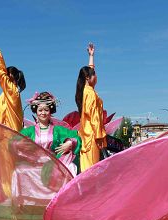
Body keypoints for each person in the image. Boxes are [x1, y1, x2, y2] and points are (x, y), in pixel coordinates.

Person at [21, 91, 81, 176]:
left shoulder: (57, 130)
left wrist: (70, 143)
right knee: (20, 170)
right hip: (35, 163)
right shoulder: (29, 131)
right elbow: (14, 141)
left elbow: (75, 136)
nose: (43, 113)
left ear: (50, 111)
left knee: (70, 166)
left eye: (46, 110)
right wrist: (24, 146)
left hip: (54, 162)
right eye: (40, 110)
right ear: (36, 111)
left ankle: (66, 189)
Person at [75, 43, 107, 172]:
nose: (96, 76)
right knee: (91, 168)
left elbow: (89, 71)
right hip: (93, 136)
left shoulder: (86, 90)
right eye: (94, 74)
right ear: (88, 78)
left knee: (89, 166)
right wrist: (99, 137)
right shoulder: (90, 93)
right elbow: (94, 117)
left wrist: (91, 56)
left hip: (87, 134)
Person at [0, 48, 26, 131]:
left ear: (10, 75)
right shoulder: (12, 91)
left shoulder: (11, 89)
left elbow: (0, 73)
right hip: (8, 131)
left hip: (9, 132)